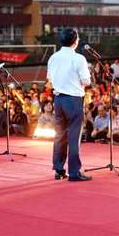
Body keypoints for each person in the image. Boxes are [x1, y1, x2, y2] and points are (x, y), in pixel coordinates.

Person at [47, 28, 92, 181]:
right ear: (75, 41)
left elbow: (50, 79)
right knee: (73, 136)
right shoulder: (79, 59)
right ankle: (74, 172)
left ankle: (59, 169)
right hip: (73, 100)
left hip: (58, 99)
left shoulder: (53, 57)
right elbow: (86, 81)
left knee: (60, 135)